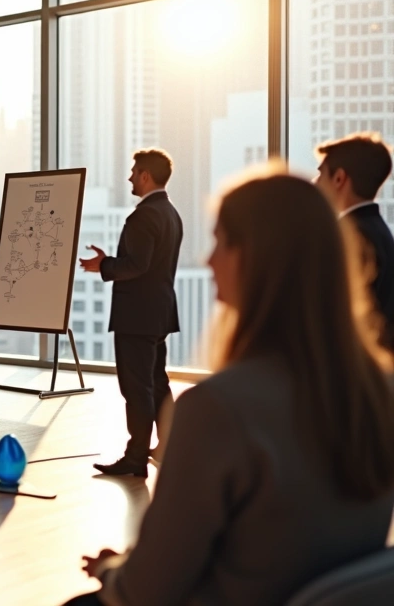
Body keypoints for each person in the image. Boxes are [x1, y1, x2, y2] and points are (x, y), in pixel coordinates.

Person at [68, 171, 394, 606]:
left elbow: (145, 592)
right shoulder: (380, 390)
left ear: (258, 258)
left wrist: (114, 569)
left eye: (221, 241)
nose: (208, 260)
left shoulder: (215, 409)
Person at [79, 149, 182, 476]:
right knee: (157, 382)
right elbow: (149, 265)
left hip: (137, 316)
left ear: (146, 176)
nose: (130, 177)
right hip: (160, 312)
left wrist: (104, 265)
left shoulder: (143, 216)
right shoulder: (171, 213)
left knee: (137, 387)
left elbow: (138, 265)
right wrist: (110, 262)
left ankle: (136, 458)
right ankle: (167, 447)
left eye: (134, 172)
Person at [313, 132, 394, 348]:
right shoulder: (380, 233)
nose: (316, 182)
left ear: (339, 178)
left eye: (321, 174)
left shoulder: (350, 239)